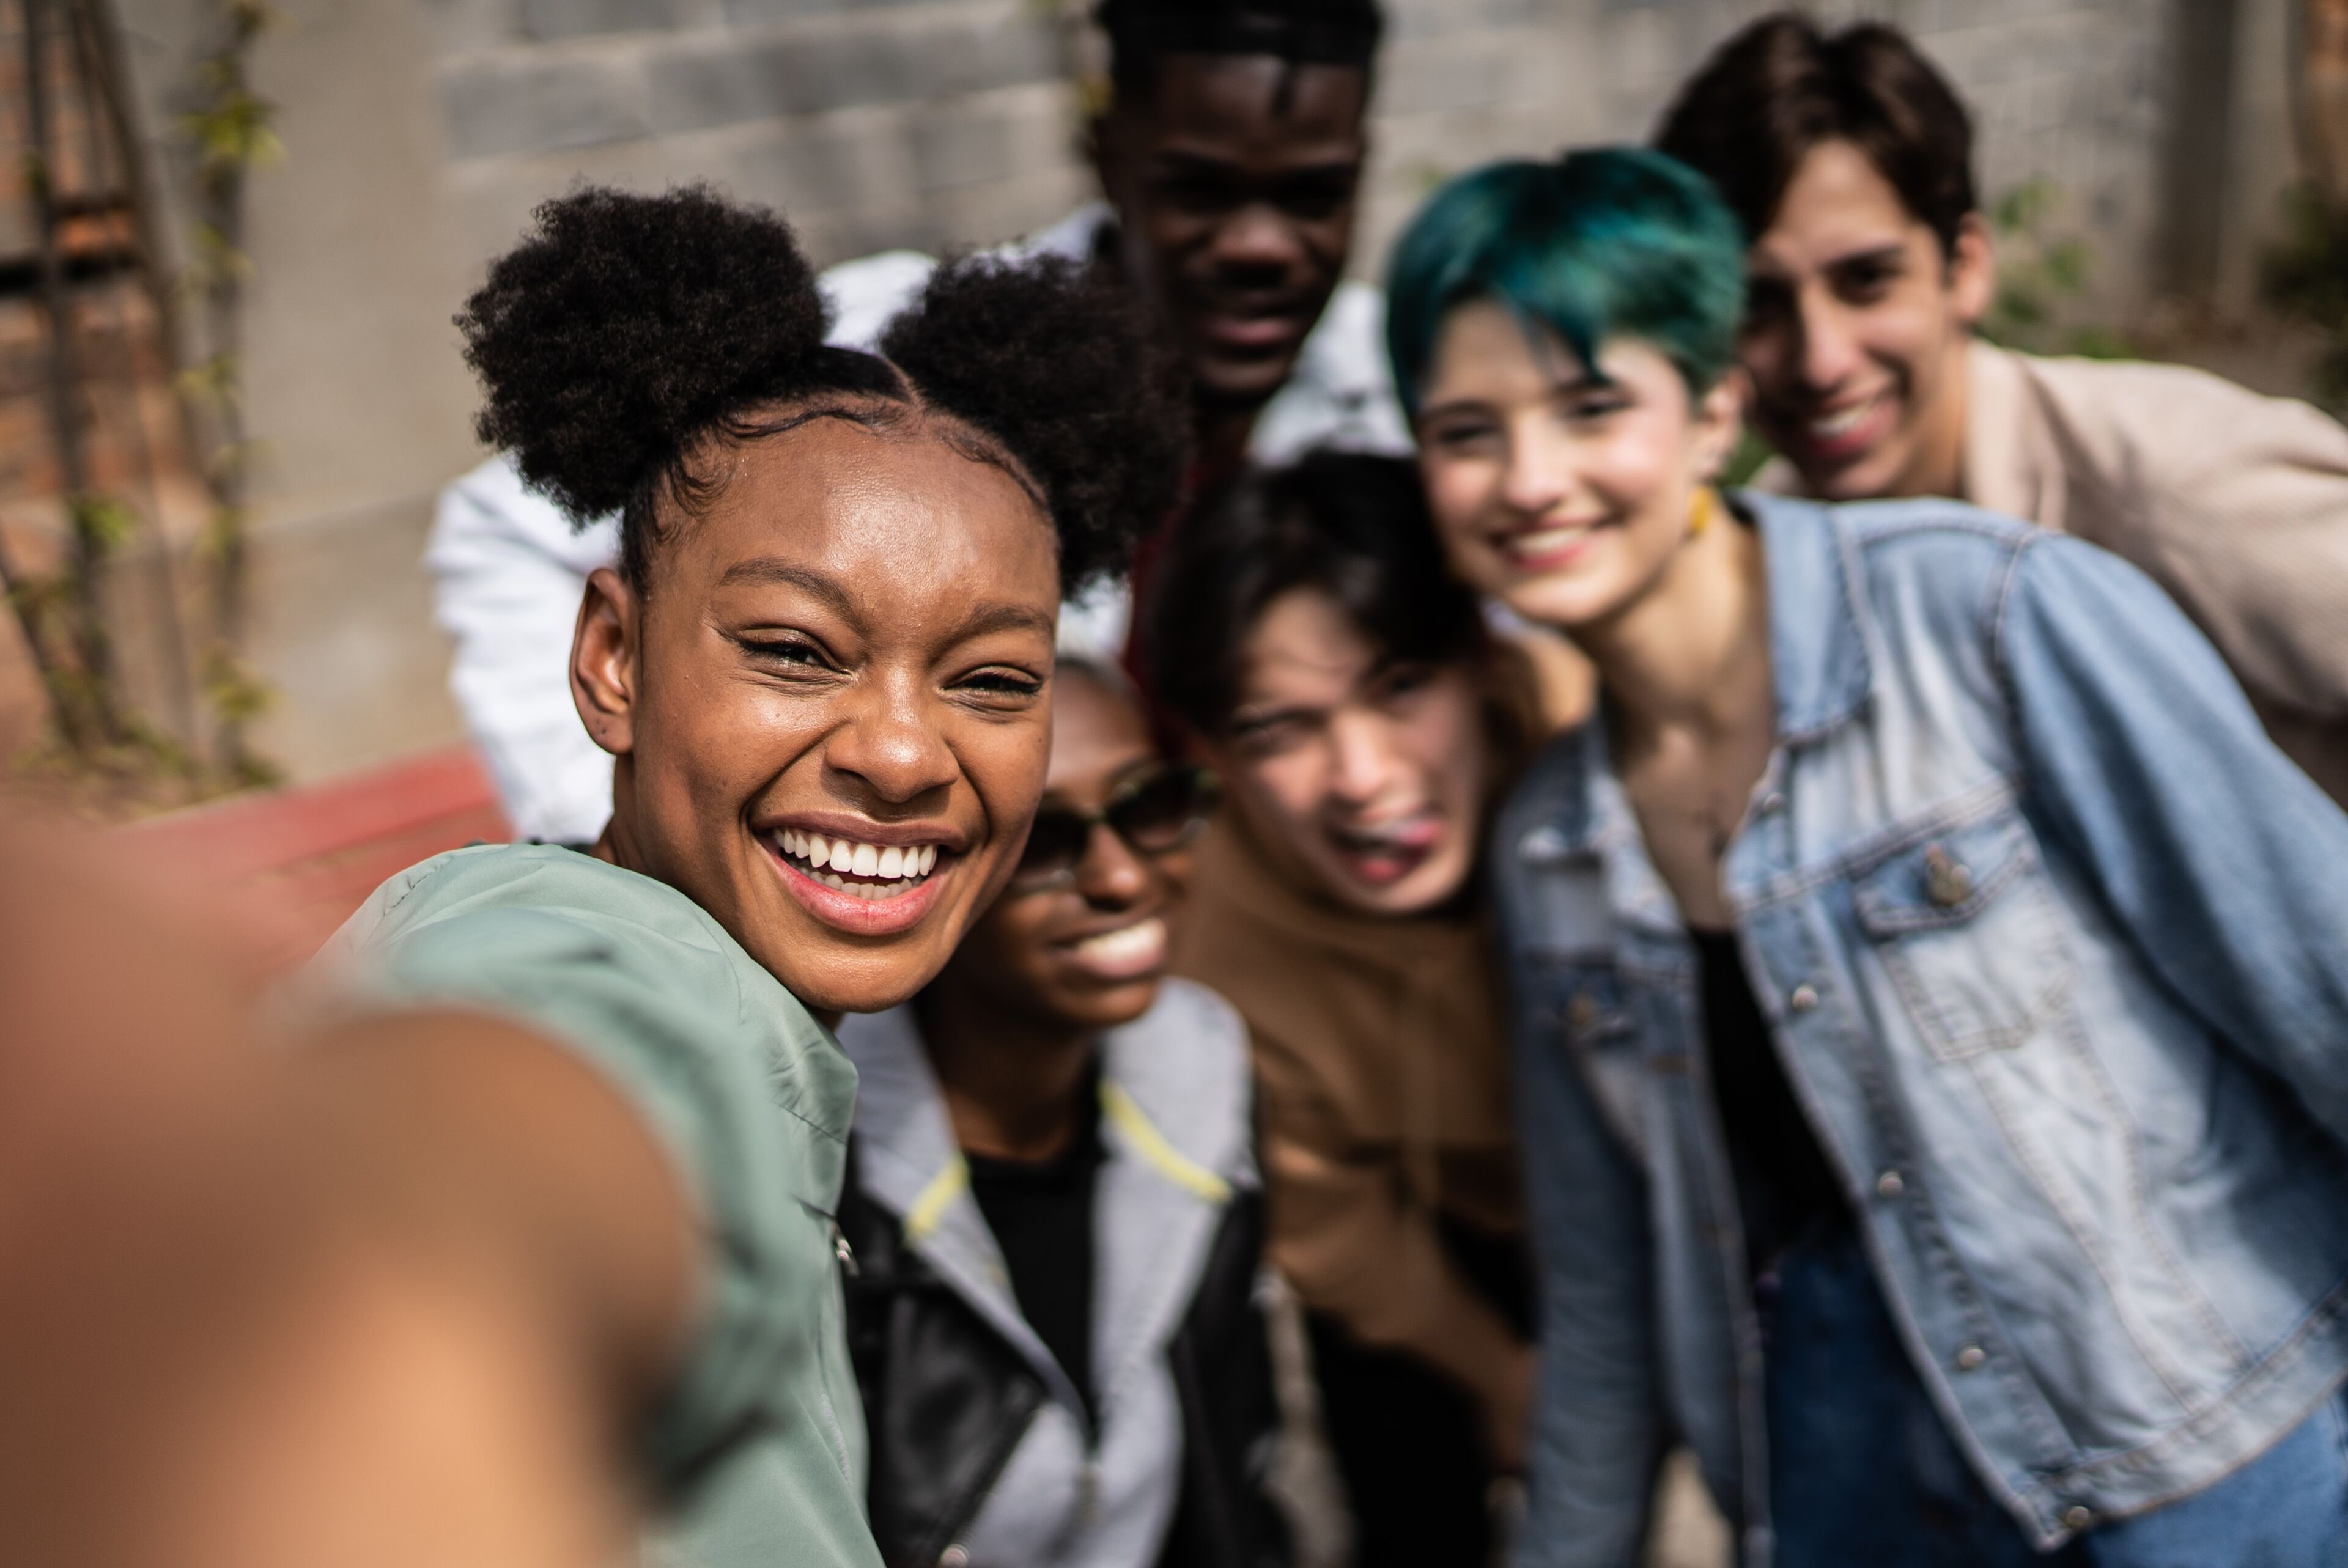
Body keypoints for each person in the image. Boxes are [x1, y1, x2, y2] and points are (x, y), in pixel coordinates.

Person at [0, 185, 1187, 1566]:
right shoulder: (609, 974)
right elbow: (554, 1109)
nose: (907, 753)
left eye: (993, 679)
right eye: (799, 651)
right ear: (612, 657)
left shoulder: (735, 998)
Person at [1386, 145, 2348, 1568]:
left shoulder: (1990, 616)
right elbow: (1603, 1302)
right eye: (1468, 430)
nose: (1533, 479)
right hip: (1849, 1504)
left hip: (2207, 1471)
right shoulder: (1552, 848)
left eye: (1593, 407)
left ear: (1714, 405)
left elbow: (2322, 984)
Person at [429, 0, 1400, 845]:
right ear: (1111, 158)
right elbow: (505, 529)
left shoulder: (1398, 399)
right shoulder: (892, 348)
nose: (1260, 245)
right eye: (1199, 190)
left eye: (1314, 194)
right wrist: (631, 841)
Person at [1653, 12, 2348, 803]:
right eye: (1759, 305)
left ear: (1967, 268)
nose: (1822, 360)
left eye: (1868, 281)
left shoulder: (2173, 483)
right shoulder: (1772, 562)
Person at [1140, 451, 1537, 1568]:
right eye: (1281, 728)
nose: (1362, 774)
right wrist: (1505, 1376)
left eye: (1401, 686)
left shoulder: (1594, 754)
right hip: (1417, 1230)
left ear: (1481, 657)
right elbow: (1341, 1229)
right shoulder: (1214, 947)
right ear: (1214, 755)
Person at [835, 658, 1284, 1568]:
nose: (1121, 877)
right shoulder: (817, 1183)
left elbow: (1234, 1471)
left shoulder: (1203, 1083)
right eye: (1042, 838)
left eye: (1149, 805)